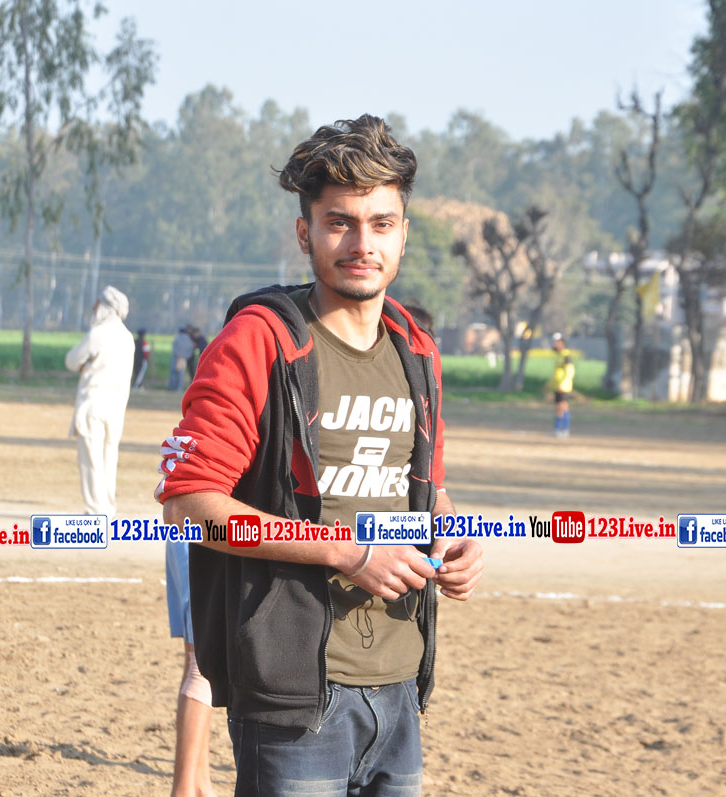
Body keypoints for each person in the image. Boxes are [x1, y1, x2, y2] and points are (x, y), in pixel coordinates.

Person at [157, 115, 484, 795]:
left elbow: (428, 490)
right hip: (292, 693)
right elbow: (190, 505)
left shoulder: (416, 350)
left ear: (403, 232)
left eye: (381, 223)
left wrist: (454, 532)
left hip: (400, 683)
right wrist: (348, 553)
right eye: (340, 223)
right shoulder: (257, 342)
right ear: (305, 232)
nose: (362, 244)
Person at [64, 286, 134, 517]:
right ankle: (108, 507)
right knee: (108, 458)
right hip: (117, 408)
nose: (93, 308)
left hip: (93, 404)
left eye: (97, 303)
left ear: (106, 307)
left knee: (91, 459)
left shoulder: (98, 333)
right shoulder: (127, 337)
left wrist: (85, 365)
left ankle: (95, 509)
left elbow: (71, 361)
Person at [165, 540, 215, 797]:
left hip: (189, 538)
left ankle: (200, 784)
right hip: (200, 541)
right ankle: (184, 789)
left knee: (197, 664)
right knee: (201, 669)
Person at [548, 333, 574, 437]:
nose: (555, 344)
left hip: (564, 387)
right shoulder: (558, 355)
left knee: (561, 408)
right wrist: (551, 383)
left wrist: (563, 384)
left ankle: (561, 429)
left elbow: (570, 371)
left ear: (562, 343)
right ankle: (562, 429)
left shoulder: (566, 355)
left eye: (557, 342)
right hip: (558, 386)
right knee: (561, 408)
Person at [168, 326, 195, 391]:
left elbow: (174, 348)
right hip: (183, 359)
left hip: (176, 358)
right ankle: (179, 388)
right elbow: (191, 351)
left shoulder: (177, 338)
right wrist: (185, 356)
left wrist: (178, 355)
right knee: (181, 374)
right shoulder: (189, 340)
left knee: (173, 373)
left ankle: (171, 388)